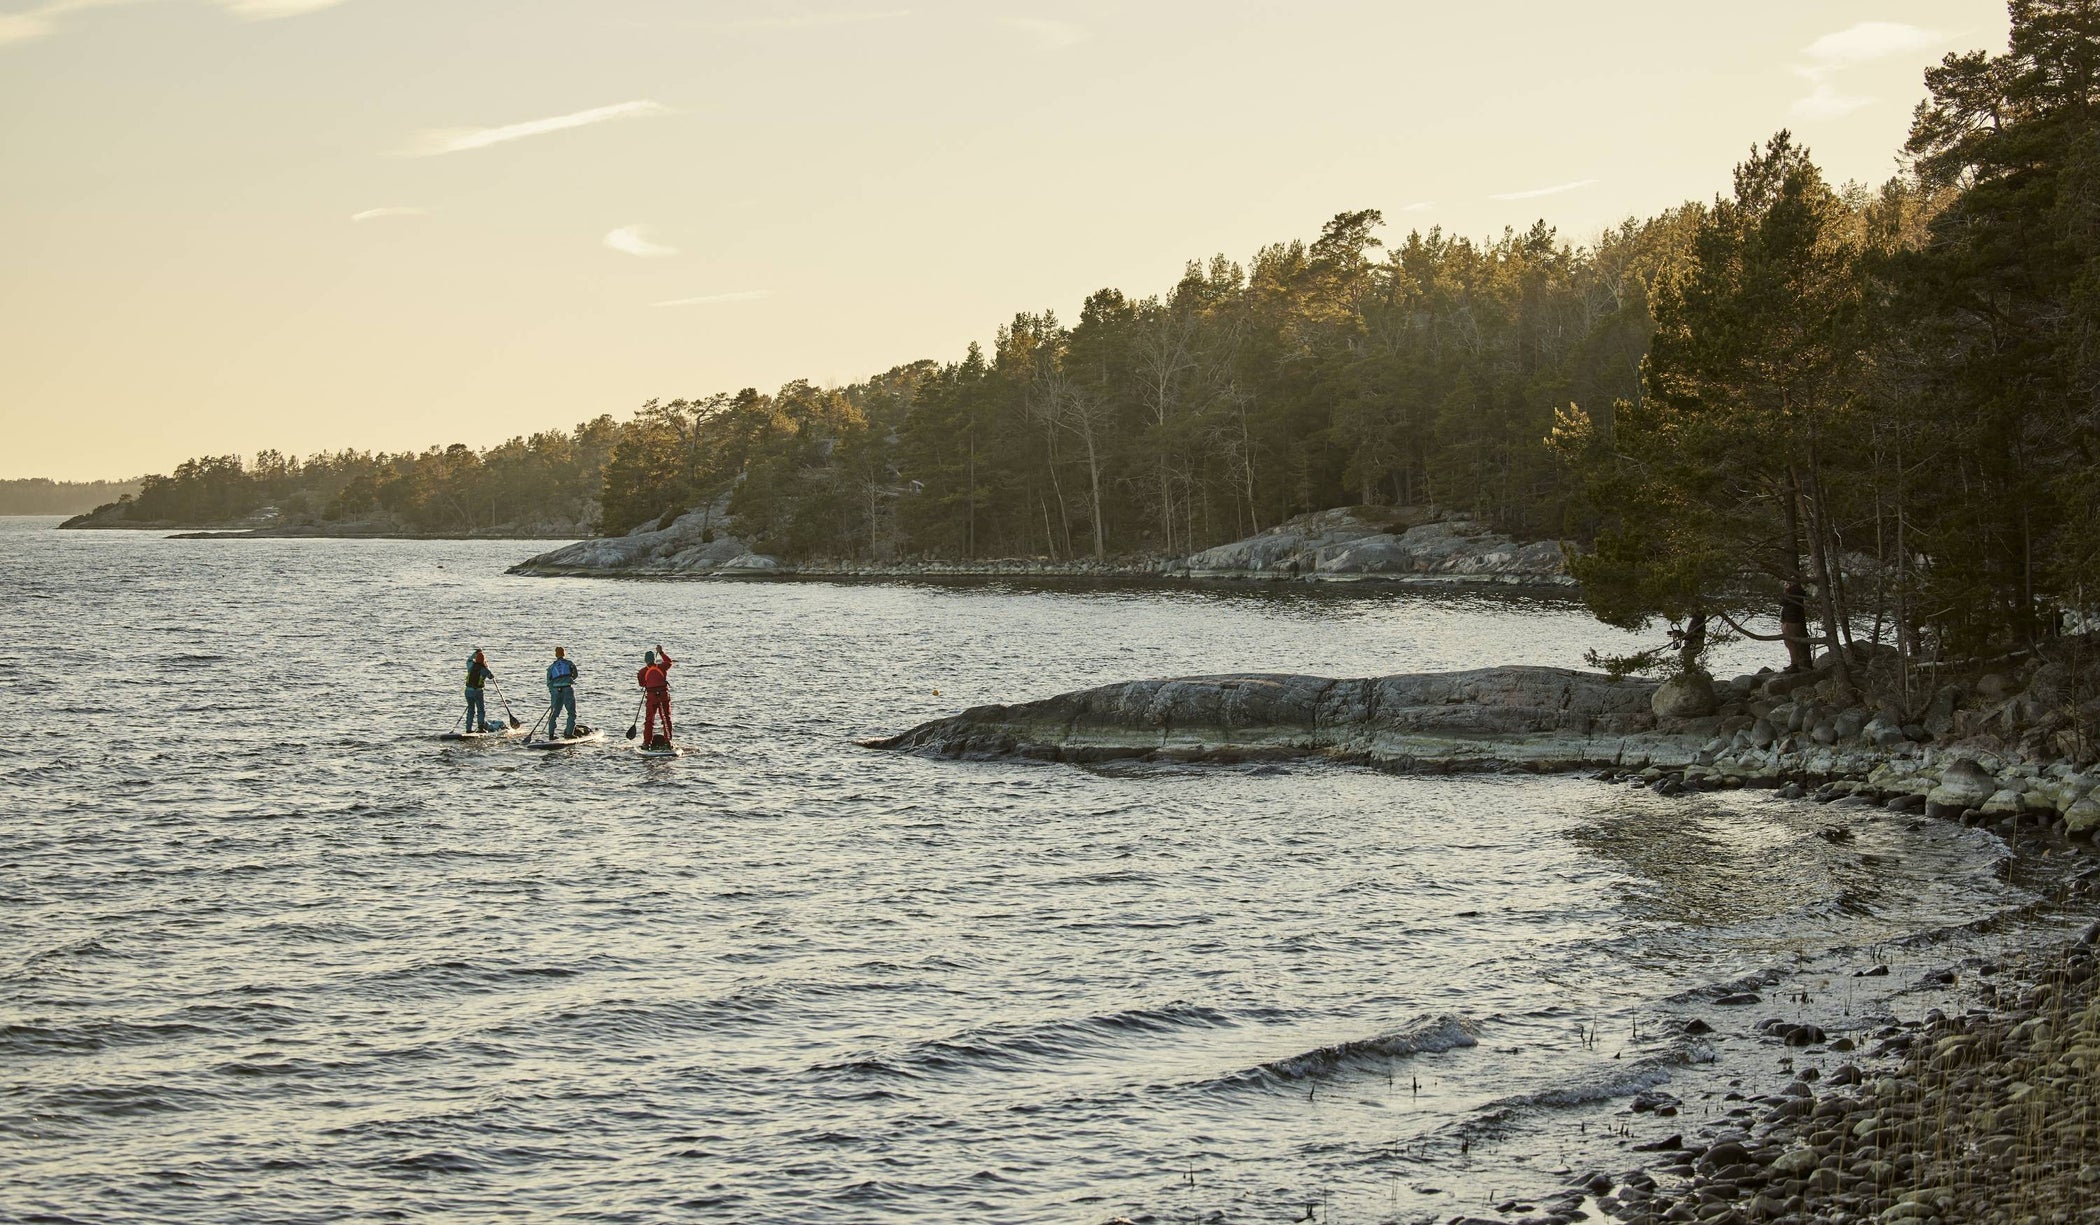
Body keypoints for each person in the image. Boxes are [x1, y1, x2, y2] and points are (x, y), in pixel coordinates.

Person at [637, 644, 674, 748]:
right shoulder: (662, 667)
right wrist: (661, 652)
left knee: (649, 720)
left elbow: (642, 683)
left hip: (651, 697)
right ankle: (668, 742)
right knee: (666, 719)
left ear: (645, 661)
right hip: (663, 696)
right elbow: (669, 662)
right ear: (653, 659)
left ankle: (646, 743)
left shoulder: (642, 671)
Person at [546, 646, 580, 740]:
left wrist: (552, 692)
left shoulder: (551, 667)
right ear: (564, 654)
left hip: (556, 691)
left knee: (554, 713)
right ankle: (569, 733)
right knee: (571, 713)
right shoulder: (570, 664)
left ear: (556, 655)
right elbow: (575, 675)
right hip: (567, 689)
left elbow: (549, 682)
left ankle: (551, 735)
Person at [463, 649, 495, 733]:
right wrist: (487, 666)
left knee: (471, 710)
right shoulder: (484, 670)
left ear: (476, 659)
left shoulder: (470, 665)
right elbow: (491, 676)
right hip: (477, 692)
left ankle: (468, 729)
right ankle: (480, 728)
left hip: (468, 691)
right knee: (480, 710)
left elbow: (469, 659)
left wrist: (475, 653)